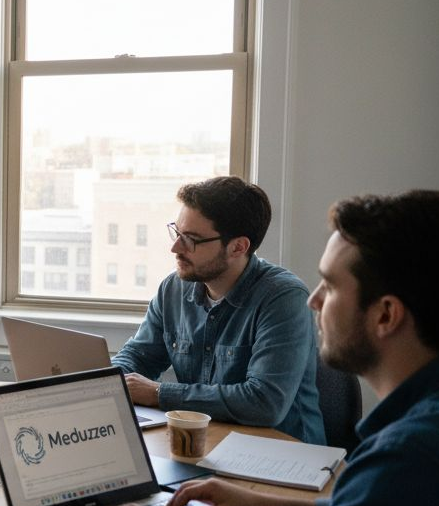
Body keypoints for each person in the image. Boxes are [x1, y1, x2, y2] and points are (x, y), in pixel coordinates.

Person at [93, 189, 439, 506]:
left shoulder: (411, 455)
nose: (315, 301)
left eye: (330, 285)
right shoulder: (438, 425)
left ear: (386, 316)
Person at [112, 176, 324, 444]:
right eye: (177, 233)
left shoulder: (283, 298)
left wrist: (158, 394)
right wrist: (108, 383)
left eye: (191, 240)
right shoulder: (174, 288)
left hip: (285, 457)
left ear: (238, 247)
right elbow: (139, 357)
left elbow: (264, 403)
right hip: (207, 445)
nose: (175, 248)